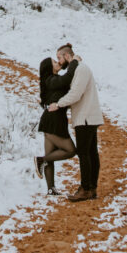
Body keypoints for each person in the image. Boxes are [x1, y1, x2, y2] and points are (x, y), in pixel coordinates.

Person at [47, 42, 103, 202]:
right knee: (91, 153)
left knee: (84, 153)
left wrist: (58, 104)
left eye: (59, 57)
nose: (59, 61)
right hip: (87, 116)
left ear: (67, 55)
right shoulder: (79, 69)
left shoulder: (81, 69)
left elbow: (75, 94)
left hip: (85, 117)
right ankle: (91, 188)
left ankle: (86, 188)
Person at [34, 55, 77, 195]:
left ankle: (51, 189)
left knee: (51, 154)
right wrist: (74, 61)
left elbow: (65, 75)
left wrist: (66, 59)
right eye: (54, 61)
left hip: (51, 120)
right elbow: (67, 78)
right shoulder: (51, 80)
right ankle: (41, 160)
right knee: (70, 150)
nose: (57, 62)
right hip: (54, 121)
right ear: (49, 68)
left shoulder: (52, 80)